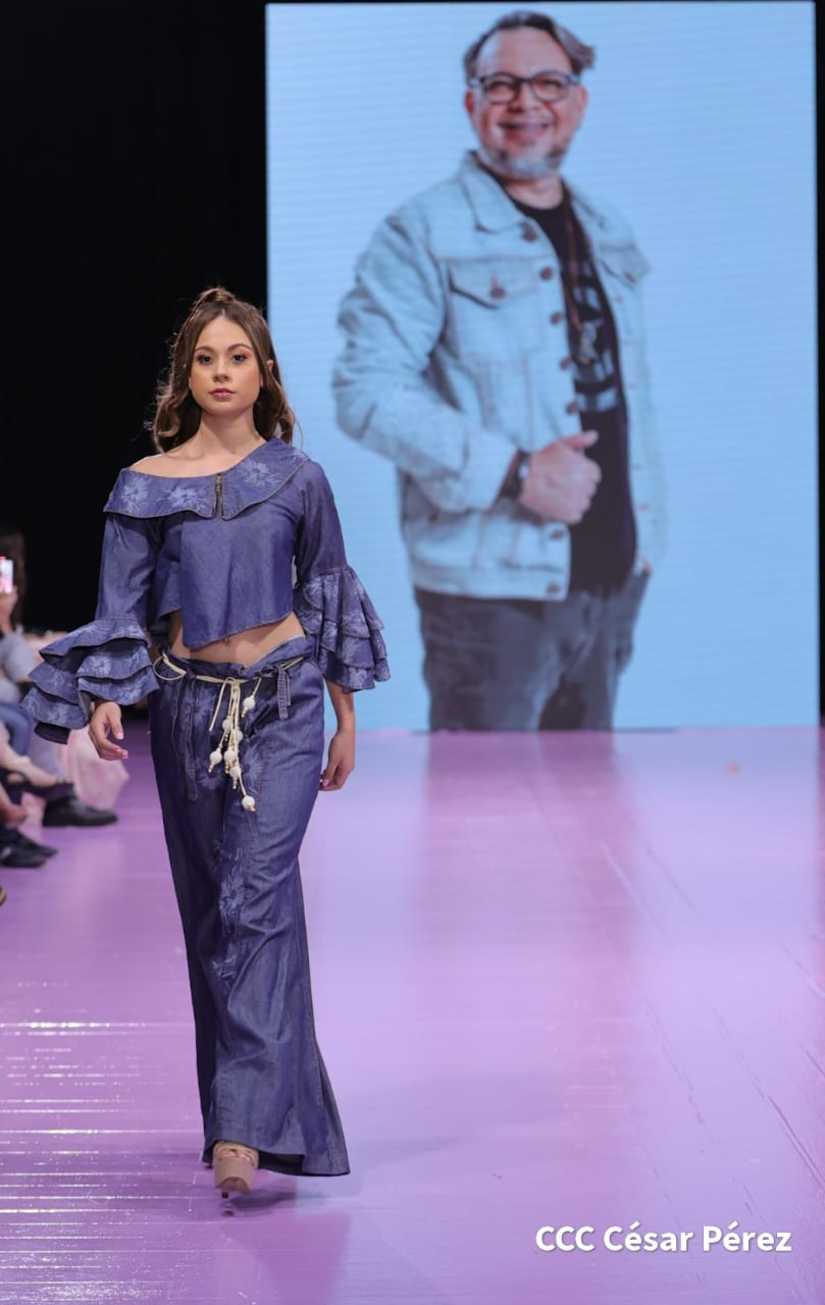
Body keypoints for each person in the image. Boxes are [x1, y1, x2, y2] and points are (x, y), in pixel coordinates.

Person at [24, 287, 390, 1197]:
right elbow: (121, 607)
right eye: (205, 358)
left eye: (237, 356)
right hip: (189, 708)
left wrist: (345, 713)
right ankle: (277, 1119)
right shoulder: (145, 484)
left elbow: (328, 588)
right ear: (184, 376)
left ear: (264, 372)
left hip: (285, 703)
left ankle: (241, 1128)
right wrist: (106, 699)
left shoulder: (299, 477)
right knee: (214, 913)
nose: (222, 372)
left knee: (255, 895)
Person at [332, 9, 665, 730]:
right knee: (486, 801)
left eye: (548, 83)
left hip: (612, 581)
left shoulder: (606, 226)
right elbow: (365, 391)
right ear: (471, 102)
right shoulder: (420, 232)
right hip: (491, 598)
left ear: (578, 100)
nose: (525, 102)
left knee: (593, 796)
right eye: (502, 84)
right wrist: (514, 472)